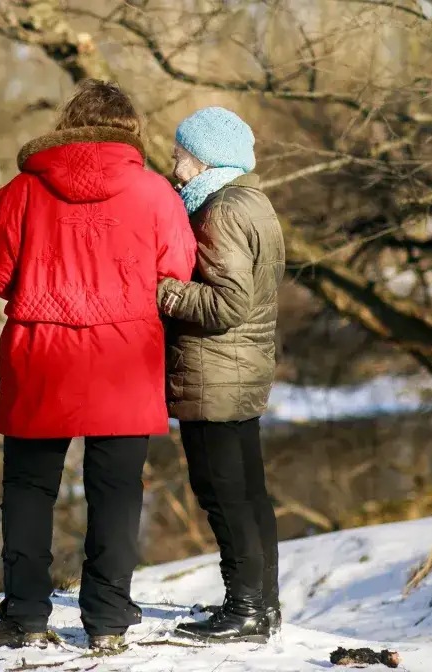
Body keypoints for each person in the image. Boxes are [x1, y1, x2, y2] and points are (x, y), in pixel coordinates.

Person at [0, 79, 197, 650]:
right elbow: (179, 266)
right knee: (116, 490)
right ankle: (108, 618)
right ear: (132, 131)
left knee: (27, 486)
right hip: (125, 356)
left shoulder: (22, 191)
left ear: (69, 123)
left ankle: (22, 616)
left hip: (41, 351)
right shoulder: (155, 193)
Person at [156, 106, 286, 643]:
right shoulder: (254, 200)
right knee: (249, 492)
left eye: (181, 157)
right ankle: (264, 605)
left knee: (222, 492)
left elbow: (227, 303)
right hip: (242, 369)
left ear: (208, 158)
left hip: (216, 372)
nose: (176, 168)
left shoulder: (220, 209)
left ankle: (245, 610)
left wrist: (161, 289)